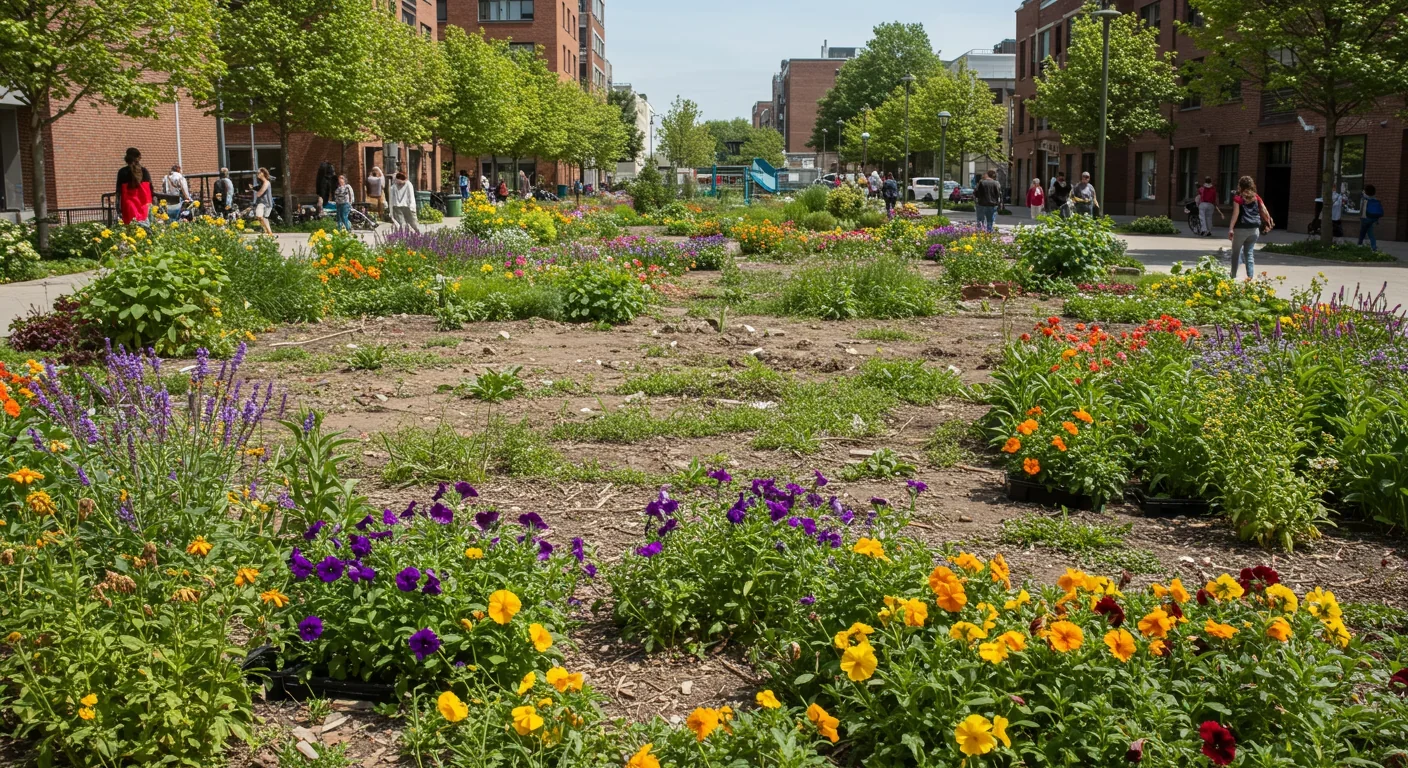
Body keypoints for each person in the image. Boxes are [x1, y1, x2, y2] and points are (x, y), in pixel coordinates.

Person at [1228, 175, 1274, 279]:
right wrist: (1269, 223)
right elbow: (1264, 210)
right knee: (1249, 253)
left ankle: (1233, 276)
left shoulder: (1238, 198)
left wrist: (1231, 228)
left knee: (1236, 253)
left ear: (1240, 185)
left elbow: (1235, 214)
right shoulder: (1256, 197)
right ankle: (1250, 277)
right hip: (1254, 229)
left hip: (1240, 229)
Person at [116, 148, 153, 225]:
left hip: (128, 205)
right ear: (138, 158)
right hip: (143, 204)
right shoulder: (144, 171)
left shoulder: (122, 172)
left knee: (131, 229)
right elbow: (150, 188)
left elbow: (118, 191)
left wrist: (117, 206)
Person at [1359, 184, 1384, 251]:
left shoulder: (1364, 199)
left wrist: (1361, 217)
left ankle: (1359, 245)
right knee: (1371, 234)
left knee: (1362, 232)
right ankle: (1374, 247)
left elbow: (1362, 210)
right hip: (1373, 219)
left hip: (1366, 218)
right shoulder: (1375, 199)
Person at [252, 167, 274, 235]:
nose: (257, 174)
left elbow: (260, 193)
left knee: (260, 216)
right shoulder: (262, 183)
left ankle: (268, 232)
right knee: (262, 218)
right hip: (262, 202)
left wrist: (257, 193)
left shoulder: (266, 183)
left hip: (266, 203)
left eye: (259, 172)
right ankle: (268, 232)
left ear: (263, 173)